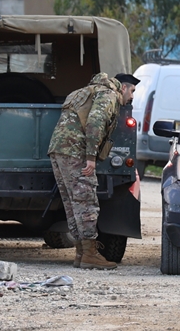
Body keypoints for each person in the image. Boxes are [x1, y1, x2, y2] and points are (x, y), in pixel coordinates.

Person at [47, 71, 139, 270]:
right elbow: (95, 123)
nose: (131, 96)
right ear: (122, 87)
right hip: (75, 152)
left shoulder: (86, 91)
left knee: (73, 203)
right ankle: (89, 254)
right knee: (86, 201)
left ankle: (82, 252)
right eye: (131, 91)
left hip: (59, 150)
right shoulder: (108, 95)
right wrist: (90, 158)